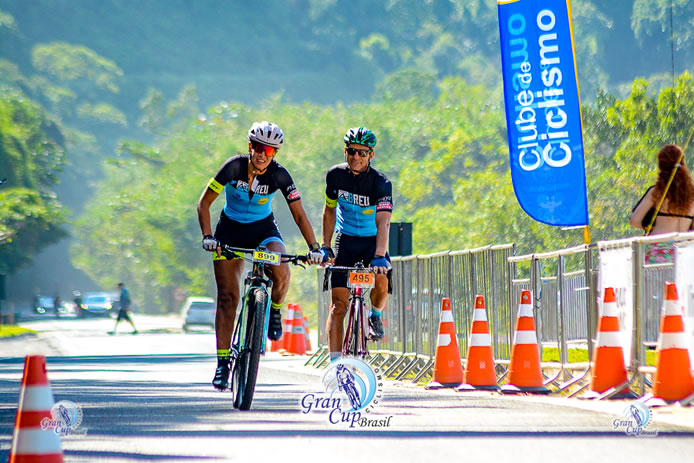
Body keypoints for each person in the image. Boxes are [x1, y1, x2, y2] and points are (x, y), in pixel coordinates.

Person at [197, 120, 324, 390]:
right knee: (228, 298)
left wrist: (314, 247)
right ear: (249, 146)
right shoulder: (233, 167)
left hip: (263, 230)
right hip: (229, 231)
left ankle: (275, 310)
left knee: (281, 267)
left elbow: (299, 215)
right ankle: (222, 364)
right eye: (257, 147)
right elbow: (204, 203)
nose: (261, 154)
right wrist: (208, 236)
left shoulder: (280, 175)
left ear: (275, 153)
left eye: (268, 150)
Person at [322, 127, 393, 362]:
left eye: (362, 153)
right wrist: (325, 246)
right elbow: (329, 211)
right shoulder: (335, 176)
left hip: (373, 242)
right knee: (338, 306)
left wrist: (380, 256)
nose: (356, 157)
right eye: (352, 151)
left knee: (381, 278)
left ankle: (375, 315)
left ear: (371, 155)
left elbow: (383, 222)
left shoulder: (381, 183)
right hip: (346, 240)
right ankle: (335, 363)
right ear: (345, 151)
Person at [630, 144, 694, 263]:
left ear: (661, 165)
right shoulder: (692, 195)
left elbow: (634, 220)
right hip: (683, 255)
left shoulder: (656, 191)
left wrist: (649, 227)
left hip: (657, 251)